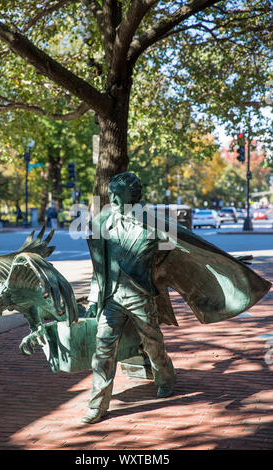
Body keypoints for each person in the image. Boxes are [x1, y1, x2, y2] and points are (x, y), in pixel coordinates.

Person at [82, 172, 271, 424]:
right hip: (112, 297)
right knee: (103, 348)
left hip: (141, 295)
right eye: (111, 192)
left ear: (133, 195)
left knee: (152, 342)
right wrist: (95, 298)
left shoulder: (155, 223)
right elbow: (100, 266)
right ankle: (98, 404)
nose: (112, 197)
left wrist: (225, 262)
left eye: (118, 192)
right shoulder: (102, 222)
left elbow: (190, 248)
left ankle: (166, 377)